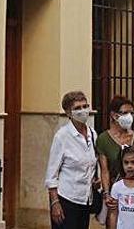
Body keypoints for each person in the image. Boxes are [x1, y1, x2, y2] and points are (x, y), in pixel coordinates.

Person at [45, 91, 98, 229]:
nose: (83, 111)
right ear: (69, 113)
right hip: (66, 199)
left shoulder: (92, 134)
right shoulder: (62, 136)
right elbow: (51, 175)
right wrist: (55, 203)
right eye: (77, 108)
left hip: (85, 199)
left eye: (85, 106)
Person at [96, 95, 134, 192]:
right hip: (115, 192)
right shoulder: (103, 139)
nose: (129, 116)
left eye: (131, 113)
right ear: (114, 115)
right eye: (125, 113)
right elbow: (105, 171)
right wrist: (107, 193)